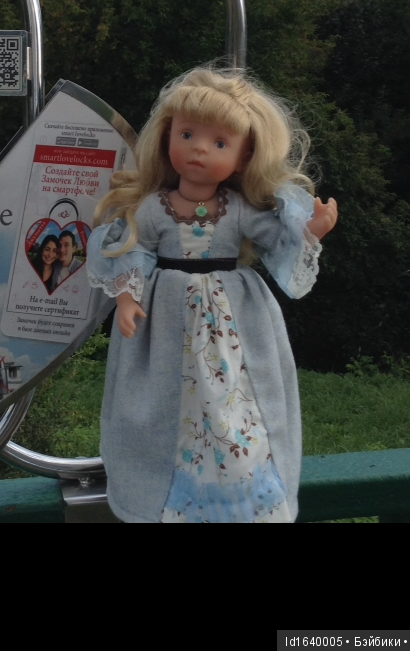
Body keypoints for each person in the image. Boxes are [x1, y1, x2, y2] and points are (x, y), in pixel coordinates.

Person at [86, 65, 338, 523]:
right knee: (164, 405)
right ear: (167, 137)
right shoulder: (154, 208)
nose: (199, 149)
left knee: (238, 402)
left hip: (236, 317)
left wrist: (311, 231)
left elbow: (276, 242)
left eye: (219, 143)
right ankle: (164, 498)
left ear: (243, 159)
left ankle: (243, 494)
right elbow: (135, 249)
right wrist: (127, 296)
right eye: (187, 135)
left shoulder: (238, 209)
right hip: (165, 320)